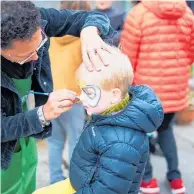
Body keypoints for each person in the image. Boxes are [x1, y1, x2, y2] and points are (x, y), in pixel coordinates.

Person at [1, 1, 115, 193]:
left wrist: (89, 31)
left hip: (25, 142)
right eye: (26, 55)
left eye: (40, 45)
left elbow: (89, 17)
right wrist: (42, 114)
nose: (37, 58)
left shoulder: (33, 19)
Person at [33, 47, 164, 194]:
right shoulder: (106, 112)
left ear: (114, 95)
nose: (81, 98)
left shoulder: (121, 144)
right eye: (81, 91)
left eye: (88, 92)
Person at [120, 0, 194, 193]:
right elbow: (191, 52)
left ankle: (147, 179)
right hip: (174, 86)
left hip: (146, 89)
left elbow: (128, 58)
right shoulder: (186, 13)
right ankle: (176, 178)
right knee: (166, 129)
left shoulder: (138, 14)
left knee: (142, 132)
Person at [48, 1, 91, 184]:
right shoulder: (84, 39)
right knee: (76, 142)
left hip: (50, 97)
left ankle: (55, 180)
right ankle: (75, 182)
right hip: (74, 99)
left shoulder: (50, 36)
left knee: (54, 142)